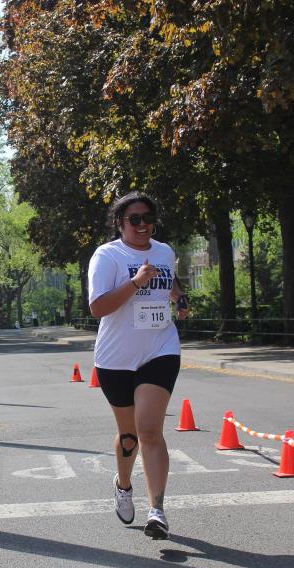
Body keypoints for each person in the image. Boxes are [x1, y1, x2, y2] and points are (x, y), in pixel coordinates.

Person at [88, 191, 189, 540]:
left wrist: (179, 297)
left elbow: (168, 280)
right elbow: (98, 308)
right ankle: (123, 484)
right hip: (115, 358)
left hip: (160, 348)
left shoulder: (164, 252)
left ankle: (157, 510)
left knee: (149, 430)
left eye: (148, 217)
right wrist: (135, 282)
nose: (142, 224)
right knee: (129, 435)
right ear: (120, 223)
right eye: (135, 219)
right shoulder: (108, 255)